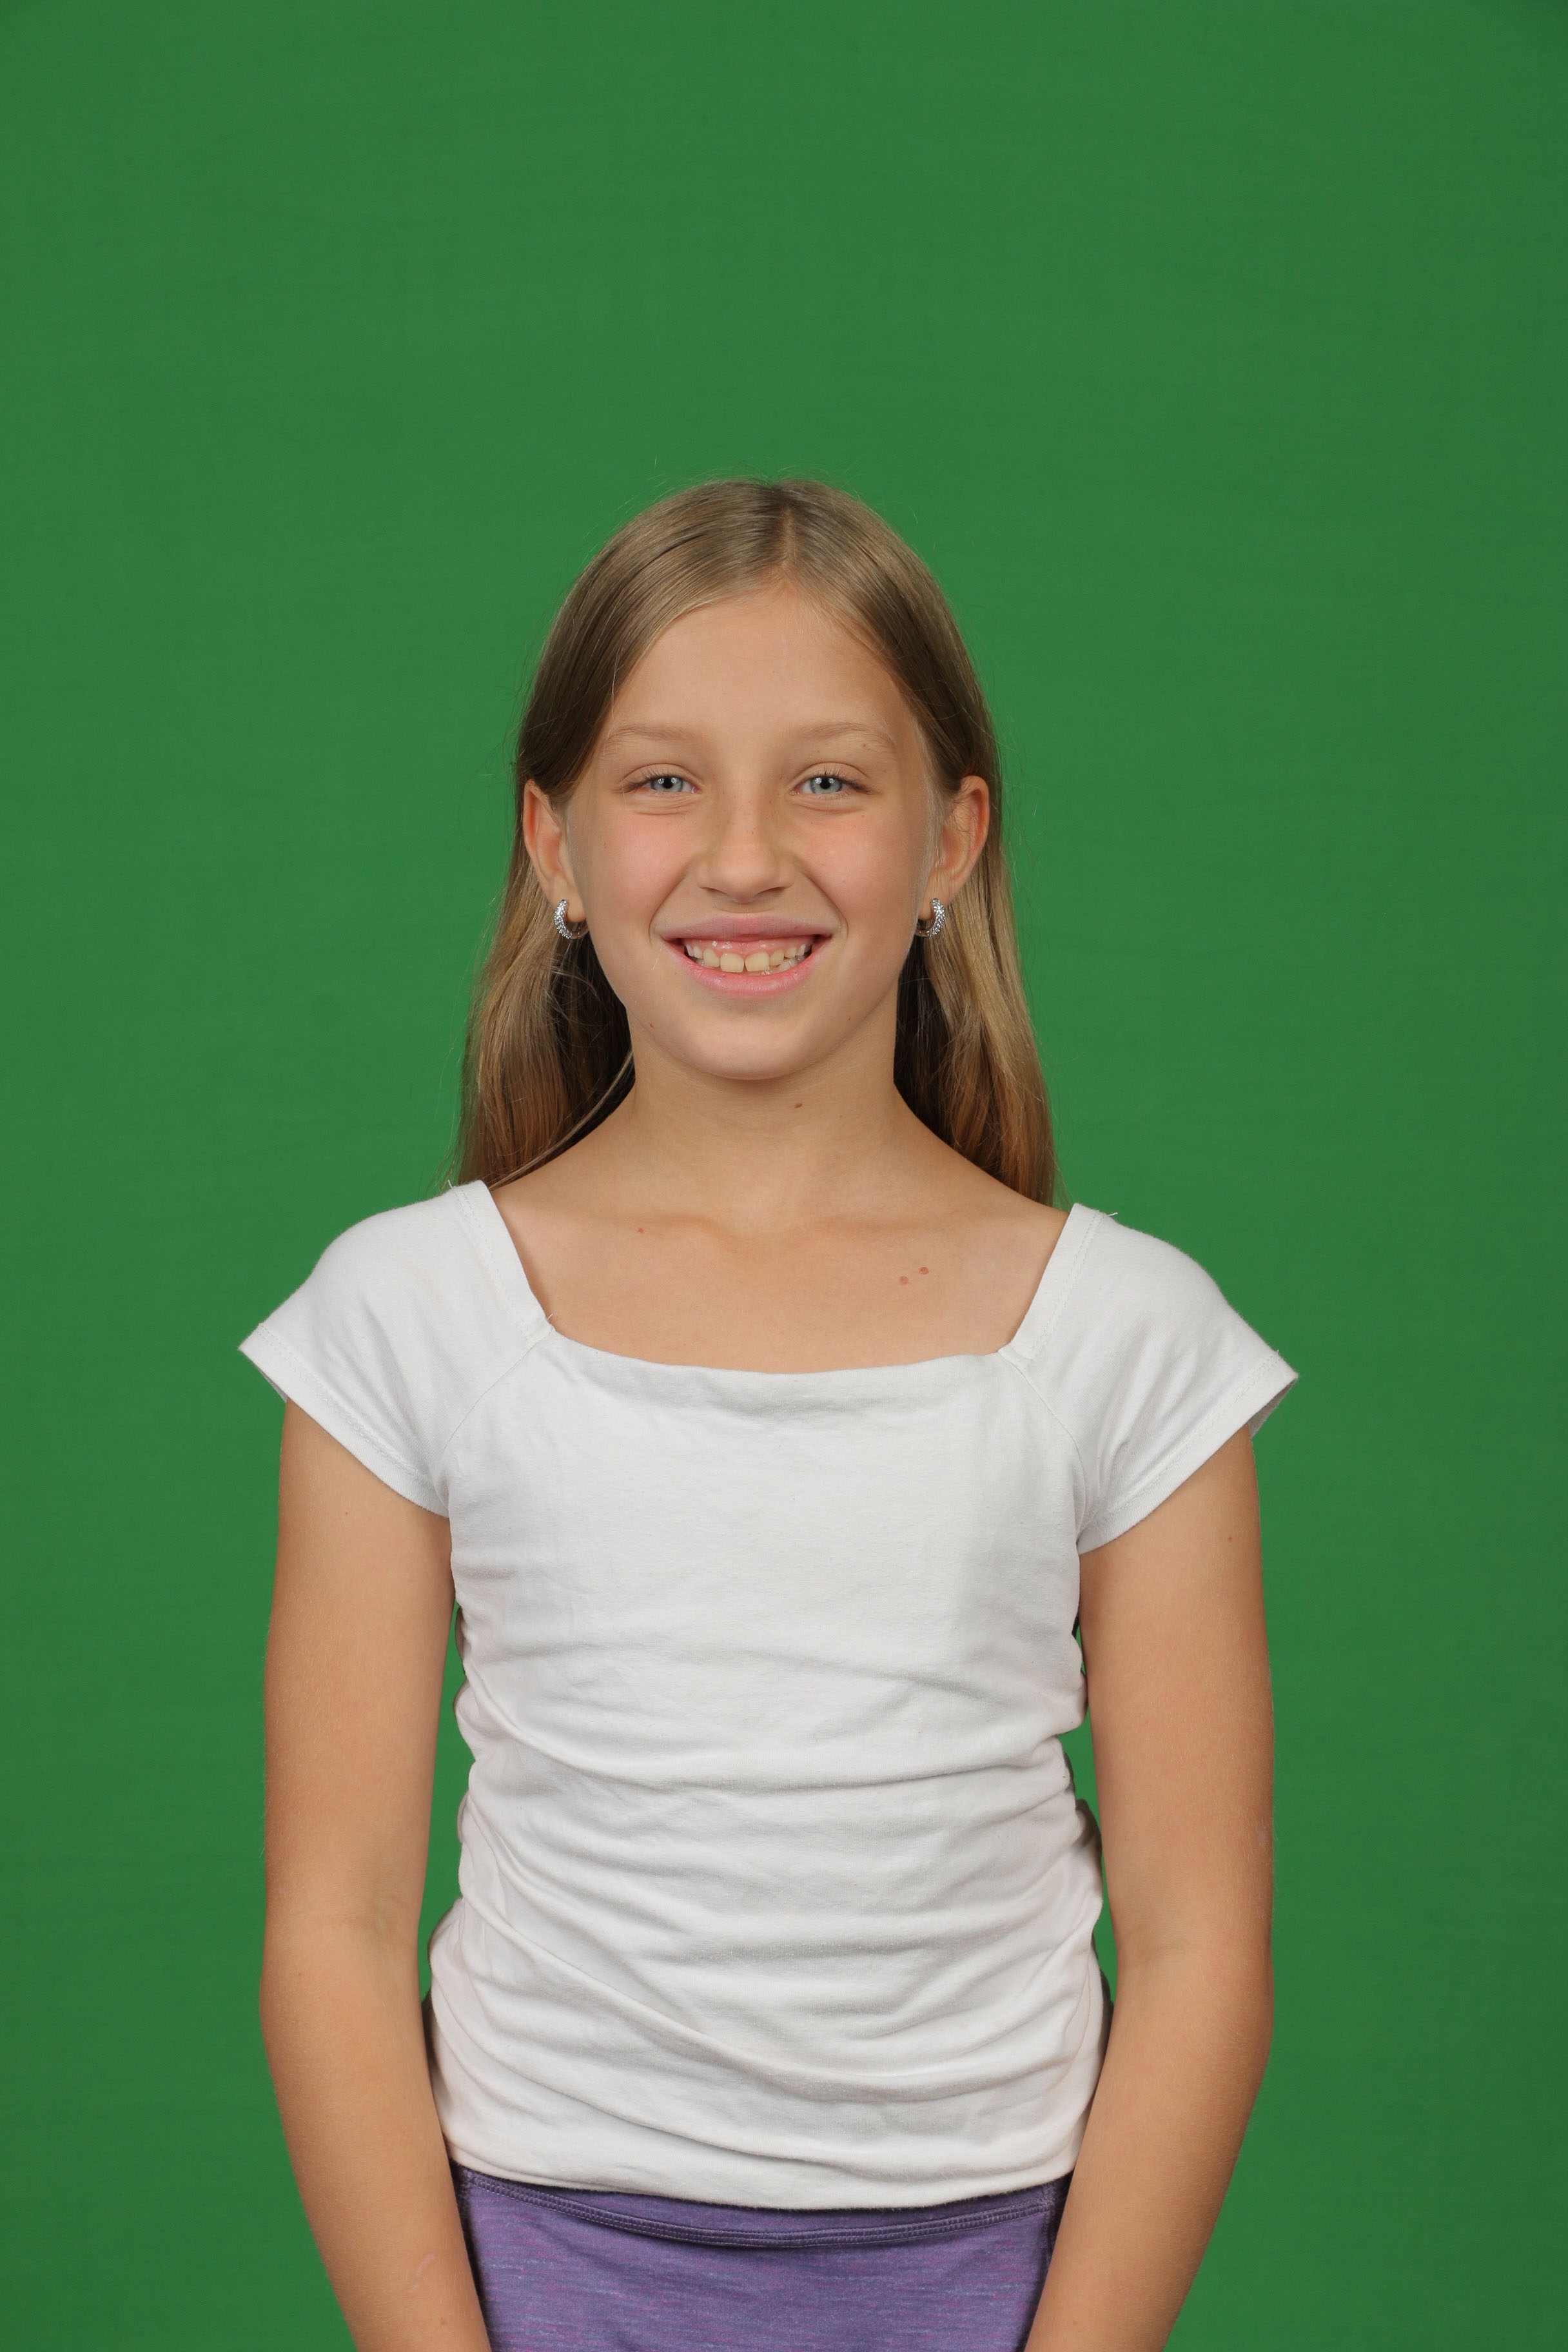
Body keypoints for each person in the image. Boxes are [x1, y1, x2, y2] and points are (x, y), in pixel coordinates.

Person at [242, 478, 1295, 2352]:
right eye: (664, 781)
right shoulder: (410, 1318)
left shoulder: (1128, 1340)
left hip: (995, 2271)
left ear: (952, 836)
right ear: (554, 845)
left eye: (828, 781)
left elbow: (1202, 1948)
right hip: (534, 2260)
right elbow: (333, 1924)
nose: (745, 857)